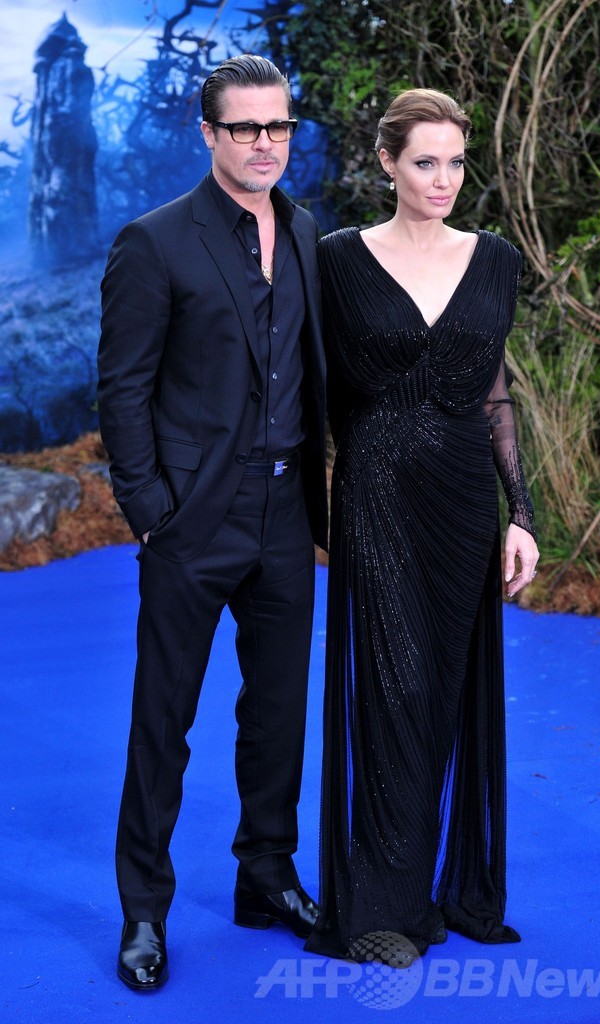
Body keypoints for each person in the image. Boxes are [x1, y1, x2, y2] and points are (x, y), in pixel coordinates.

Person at [97, 54, 327, 991]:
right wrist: (151, 512)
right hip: (193, 519)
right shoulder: (153, 242)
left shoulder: (306, 232)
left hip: (286, 513)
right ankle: (143, 910)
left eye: (278, 126)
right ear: (209, 134)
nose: (265, 143)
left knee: (277, 712)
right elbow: (122, 389)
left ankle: (266, 875)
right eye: (245, 127)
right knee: (164, 718)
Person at [304, 88, 539, 966]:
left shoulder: (496, 260)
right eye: (425, 162)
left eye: (456, 162)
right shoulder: (338, 258)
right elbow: (315, 392)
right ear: (387, 163)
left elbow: (494, 396)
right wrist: (310, 504)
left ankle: (434, 890)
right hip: (377, 497)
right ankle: (380, 908)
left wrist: (521, 516)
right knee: (392, 688)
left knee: (444, 690)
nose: (444, 180)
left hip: (465, 501)